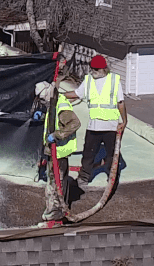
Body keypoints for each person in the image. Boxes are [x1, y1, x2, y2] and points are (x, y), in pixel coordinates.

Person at [41, 79, 84, 222]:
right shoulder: (52, 103)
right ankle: (56, 209)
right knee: (55, 182)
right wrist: (41, 117)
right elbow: (52, 120)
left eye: (42, 99)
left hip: (58, 152)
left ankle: (56, 212)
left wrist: (57, 135)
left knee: (55, 183)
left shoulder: (61, 106)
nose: (42, 102)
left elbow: (75, 123)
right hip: (53, 151)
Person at [80, 54, 125, 184]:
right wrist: (59, 94)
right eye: (92, 69)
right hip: (94, 125)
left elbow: (120, 103)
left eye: (96, 69)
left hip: (110, 126)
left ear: (104, 69)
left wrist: (124, 121)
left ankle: (112, 177)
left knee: (111, 154)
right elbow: (77, 94)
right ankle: (84, 177)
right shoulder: (88, 80)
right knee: (88, 153)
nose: (93, 71)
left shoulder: (114, 80)